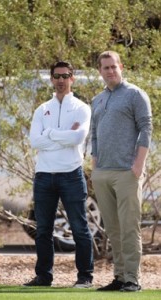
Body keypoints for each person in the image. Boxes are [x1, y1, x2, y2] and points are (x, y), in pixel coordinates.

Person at [24, 61, 94, 288]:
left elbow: (77, 139)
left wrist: (50, 134)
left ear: (72, 78)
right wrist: (61, 136)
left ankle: (85, 278)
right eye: (57, 76)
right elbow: (35, 141)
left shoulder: (82, 108)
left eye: (66, 76)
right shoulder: (42, 108)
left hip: (71, 175)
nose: (61, 80)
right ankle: (44, 277)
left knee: (79, 228)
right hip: (44, 176)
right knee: (43, 229)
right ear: (51, 79)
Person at [91, 51, 152, 292]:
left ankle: (132, 280)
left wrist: (138, 165)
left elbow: (146, 128)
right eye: (105, 67)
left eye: (113, 67)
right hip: (102, 173)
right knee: (113, 230)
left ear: (121, 67)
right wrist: (95, 166)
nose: (110, 71)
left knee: (129, 227)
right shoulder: (97, 99)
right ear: (100, 71)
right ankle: (119, 277)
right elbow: (94, 134)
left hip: (127, 172)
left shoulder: (135, 94)